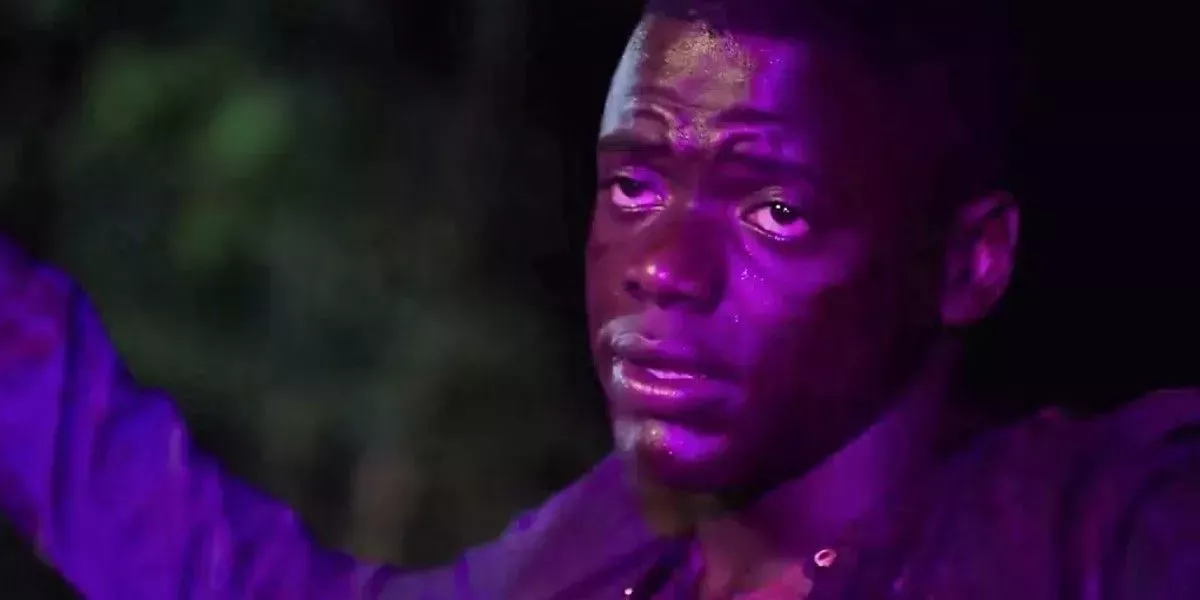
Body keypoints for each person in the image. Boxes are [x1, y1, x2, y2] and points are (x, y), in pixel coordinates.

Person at [1, 1, 1197, 598]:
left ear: (969, 262)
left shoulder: (1100, 530)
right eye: (633, 183)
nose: (662, 266)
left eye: (775, 210)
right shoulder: (615, 546)